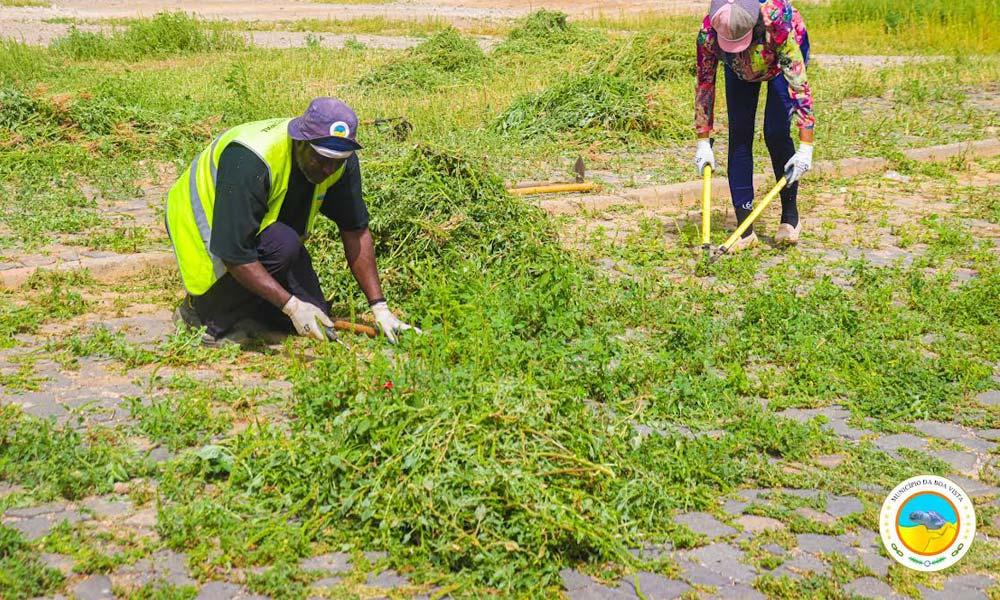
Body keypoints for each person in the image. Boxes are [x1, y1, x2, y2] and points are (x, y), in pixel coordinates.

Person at [165, 97, 419, 345]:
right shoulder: (251, 160)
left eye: (337, 161)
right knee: (281, 247)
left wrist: (380, 308)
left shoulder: (338, 160)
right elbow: (235, 253)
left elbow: (355, 230)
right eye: (321, 159)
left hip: (258, 229)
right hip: (204, 229)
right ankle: (201, 313)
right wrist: (292, 306)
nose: (329, 169)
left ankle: (251, 310)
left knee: (316, 313)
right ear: (300, 142)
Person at [694, 0, 814, 251]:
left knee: (776, 131)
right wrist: (703, 141)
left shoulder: (777, 22)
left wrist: (806, 146)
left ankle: (790, 217)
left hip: (777, 61)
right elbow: (705, 84)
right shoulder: (709, 34)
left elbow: (799, 87)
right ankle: (745, 229)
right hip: (739, 69)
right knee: (739, 133)